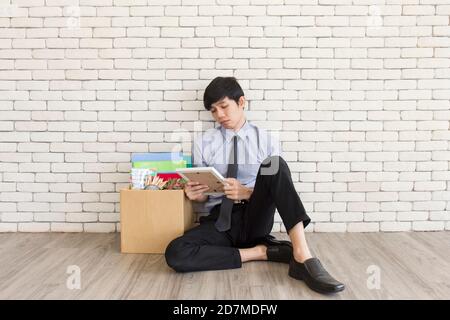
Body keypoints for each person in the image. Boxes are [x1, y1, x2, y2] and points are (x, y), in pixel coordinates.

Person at [165, 77, 345, 294]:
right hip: (220, 220)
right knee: (175, 252)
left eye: (224, 106)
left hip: (255, 216)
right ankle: (260, 252)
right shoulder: (203, 143)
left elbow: (279, 188)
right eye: (213, 110)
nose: (219, 115)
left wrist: (247, 192)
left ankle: (302, 255)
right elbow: (204, 194)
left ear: (241, 102)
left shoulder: (267, 140)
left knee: (275, 165)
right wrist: (196, 194)